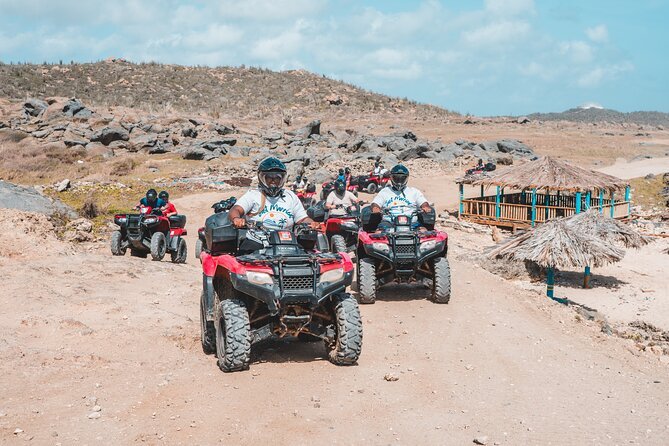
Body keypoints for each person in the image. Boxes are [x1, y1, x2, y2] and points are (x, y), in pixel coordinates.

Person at [228, 157, 319, 231]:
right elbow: (236, 209)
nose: (273, 181)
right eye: (269, 178)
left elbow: (302, 219)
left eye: (277, 178)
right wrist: (236, 219)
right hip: (256, 242)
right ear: (262, 178)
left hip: (287, 241)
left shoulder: (290, 196)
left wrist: (311, 223)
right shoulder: (253, 195)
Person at [371, 164, 431, 231]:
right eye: (396, 178)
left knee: (423, 231)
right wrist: (375, 208)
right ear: (391, 178)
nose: (399, 181)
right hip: (389, 222)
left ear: (406, 178)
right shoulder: (384, 191)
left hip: (412, 222)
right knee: (378, 233)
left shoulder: (414, 191)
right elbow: (376, 203)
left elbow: (423, 202)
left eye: (402, 178)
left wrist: (425, 207)